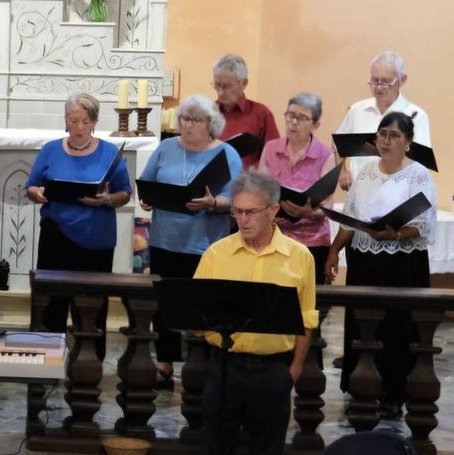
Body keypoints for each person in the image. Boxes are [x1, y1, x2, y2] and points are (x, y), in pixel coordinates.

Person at [189, 170, 317, 455]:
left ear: (274, 211)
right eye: (238, 212)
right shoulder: (217, 255)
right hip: (224, 366)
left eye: (251, 212)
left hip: (271, 373)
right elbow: (195, 315)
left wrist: (292, 372)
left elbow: (306, 321)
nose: (242, 220)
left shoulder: (299, 258)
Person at [326, 112, 436, 418]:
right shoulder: (366, 173)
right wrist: (334, 251)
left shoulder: (418, 175)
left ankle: (393, 393)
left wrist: (397, 234)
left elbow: (424, 223)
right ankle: (361, 386)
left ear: (408, 142)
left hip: (401, 263)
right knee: (362, 325)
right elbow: (350, 216)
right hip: (365, 261)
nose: (386, 141)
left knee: (397, 328)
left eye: (394, 136)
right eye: (382, 134)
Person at [138, 95, 243, 390]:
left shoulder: (226, 153)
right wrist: (148, 198)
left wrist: (213, 202)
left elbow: (236, 199)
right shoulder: (166, 148)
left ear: (211, 124)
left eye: (195, 120)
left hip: (205, 244)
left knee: (205, 306)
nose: (187, 125)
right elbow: (147, 182)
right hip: (165, 240)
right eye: (184, 119)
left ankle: (205, 364)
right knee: (165, 305)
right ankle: (165, 362)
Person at [24, 93, 131, 351]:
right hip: (56, 235)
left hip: (96, 238)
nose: (79, 127)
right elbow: (31, 186)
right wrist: (37, 193)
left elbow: (125, 193)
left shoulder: (109, 152)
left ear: (94, 122)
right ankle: (46, 357)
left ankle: (90, 360)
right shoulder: (51, 149)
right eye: (73, 120)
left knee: (92, 303)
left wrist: (107, 199)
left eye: (85, 121)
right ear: (66, 121)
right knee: (51, 302)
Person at [259, 93, 336, 281]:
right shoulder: (271, 148)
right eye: (290, 115)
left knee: (308, 302)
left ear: (315, 125)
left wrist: (306, 212)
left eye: (302, 118)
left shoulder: (325, 155)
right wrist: (271, 217)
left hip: (312, 242)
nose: (294, 122)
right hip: (273, 237)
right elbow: (258, 191)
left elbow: (327, 206)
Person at [336, 51, 431, 191]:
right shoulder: (357, 110)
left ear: (402, 80)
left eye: (386, 82)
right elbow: (337, 144)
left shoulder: (416, 115)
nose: (379, 87)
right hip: (359, 193)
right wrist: (342, 172)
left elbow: (421, 164)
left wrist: (384, 153)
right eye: (374, 81)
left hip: (397, 195)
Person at [212, 53, 278, 169]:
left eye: (227, 87)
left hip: (246, 183)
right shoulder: (207, 112)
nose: (220, 92)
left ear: (244, 83)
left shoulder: (261, 114)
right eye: (217, 85)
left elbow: (274, 156)